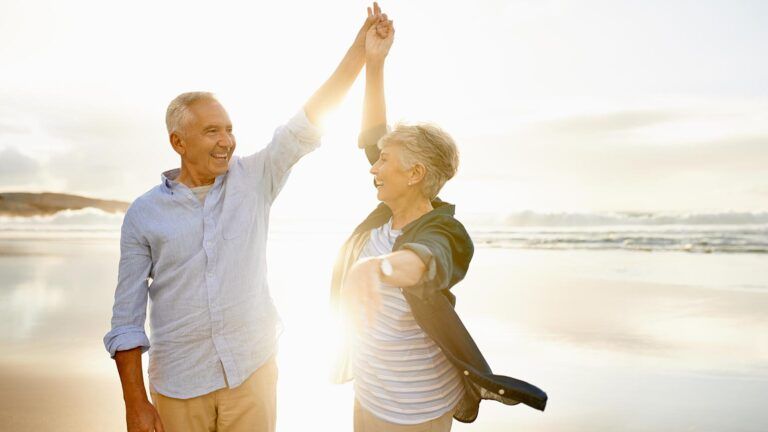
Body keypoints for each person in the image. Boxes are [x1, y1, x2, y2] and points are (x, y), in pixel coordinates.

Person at [103, 4, 389, 432]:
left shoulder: (256, 178)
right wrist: (135, 403)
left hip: (252, 370)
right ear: (178, 142)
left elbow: (307, 121)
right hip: (180, 384)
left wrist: (361, 52)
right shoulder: (144, 214)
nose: (226, 142)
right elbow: (126, 318)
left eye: (229, 128)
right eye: (211, 131)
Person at [330, 13, 548, 432]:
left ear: (414, 174)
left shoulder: (444, 231)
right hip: (371, 391)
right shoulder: (385, 213)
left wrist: (375, 267)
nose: (373, 167)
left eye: (385, 160)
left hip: (417, 406)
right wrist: (374, 63)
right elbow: (373, 132)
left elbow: (424, 262)